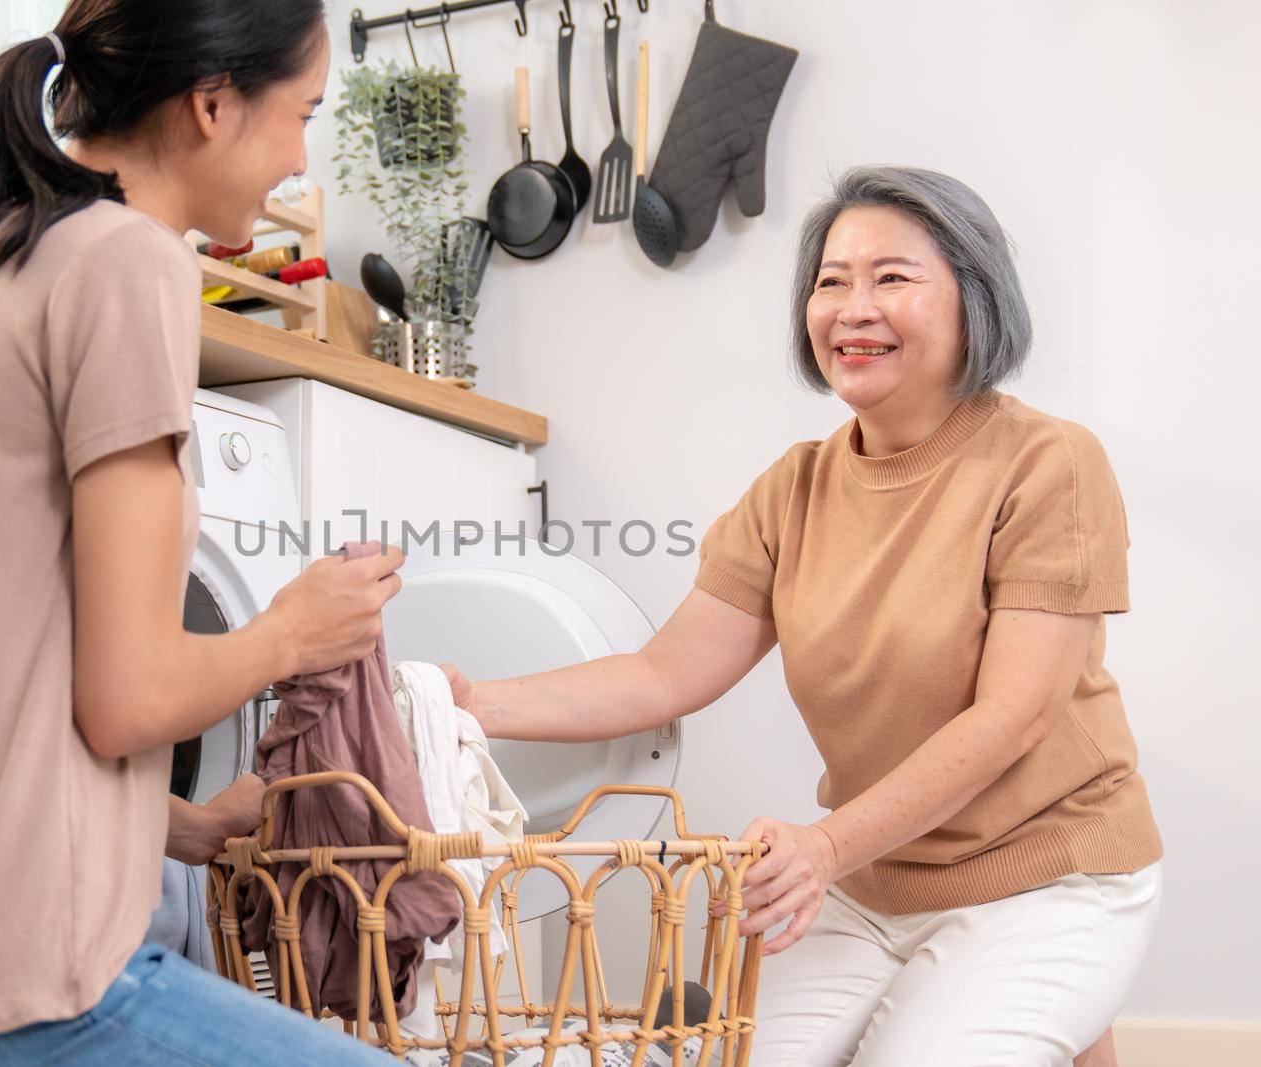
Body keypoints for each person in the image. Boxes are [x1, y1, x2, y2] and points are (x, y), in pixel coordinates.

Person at [442, 166, 1161, 1067]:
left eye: (891, 278)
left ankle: (1042, 1004)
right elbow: (664, 674)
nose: (852, 307)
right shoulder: (796, 487)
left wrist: (821, 845)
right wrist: (468, 703)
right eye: (831, 281)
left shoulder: (1048, 462)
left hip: (1049, 873)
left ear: (974, 299)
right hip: (874, 881)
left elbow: (1014, 714)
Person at [0, 2, 403, 1063]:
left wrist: (182, 825)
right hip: (22, 981)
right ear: (213, 103)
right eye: (302, 114)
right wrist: (292, 633)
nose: (300, 158)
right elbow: (128, 698)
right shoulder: (129, 262)